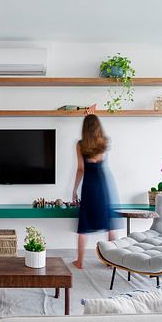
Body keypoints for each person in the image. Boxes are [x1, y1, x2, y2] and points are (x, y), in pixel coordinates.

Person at [72, 114, 115, 269]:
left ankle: (80, 261)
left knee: (84, 224)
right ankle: (112, 261)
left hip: (89, 185)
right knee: (109, 223)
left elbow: (81, 169)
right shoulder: (104, 142)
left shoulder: (80, 145)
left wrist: (74, 189)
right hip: (102, 183)